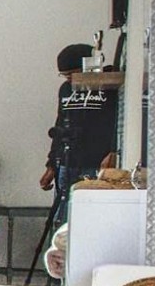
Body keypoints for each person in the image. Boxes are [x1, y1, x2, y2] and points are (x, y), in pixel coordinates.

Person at [38, 42, 121, 203]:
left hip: (97, 163)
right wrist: (52, 165)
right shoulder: (65, 89)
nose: (69, 79)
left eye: (72, 74)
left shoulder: (108, 87)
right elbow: (60, 125)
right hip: (68, 162)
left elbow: (117, 122)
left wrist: (113, 151)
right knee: (64, 210)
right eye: (65, 75)